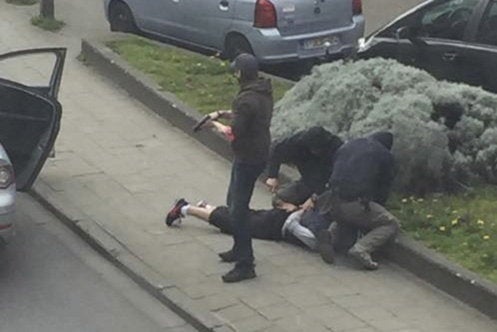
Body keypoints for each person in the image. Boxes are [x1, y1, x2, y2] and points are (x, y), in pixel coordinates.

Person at [191, 53, 273, 282]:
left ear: (240, 73)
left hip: (248, 157)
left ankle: (246, 264)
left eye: (235, 71)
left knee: (238, 211)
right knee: (234, 201)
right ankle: (238, 248)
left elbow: (233, 132)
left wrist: (212, 124)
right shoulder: (262, 92)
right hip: (258, 152)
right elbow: (246, 117)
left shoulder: (245, 99)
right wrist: (223, 113)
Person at [316, 132, 400, 270]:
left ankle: (330, 235)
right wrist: (377, 207)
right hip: (356, 202)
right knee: (390, 223)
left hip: (331, 200)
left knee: (347, 216)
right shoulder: (385, 155)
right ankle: (362, 248)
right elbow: (384, 188)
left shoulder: (348, 145)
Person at [165, 199, 332, 253]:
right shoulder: (319, 227)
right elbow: (297, 229)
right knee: (235, 223)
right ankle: (186, 209)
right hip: (277, 225)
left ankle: (204, 207)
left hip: (278, 217)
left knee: (242, 216)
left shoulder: (324, 209)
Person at [265, 126, 343, 208]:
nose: (315, 152)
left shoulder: (338, 149)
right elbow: (276, 150)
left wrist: (314, 198)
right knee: (278, 200)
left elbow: (337, 179)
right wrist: (272, 176)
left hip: (325, 190)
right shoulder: (299, 141)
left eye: (318, 149)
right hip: (307, 182)